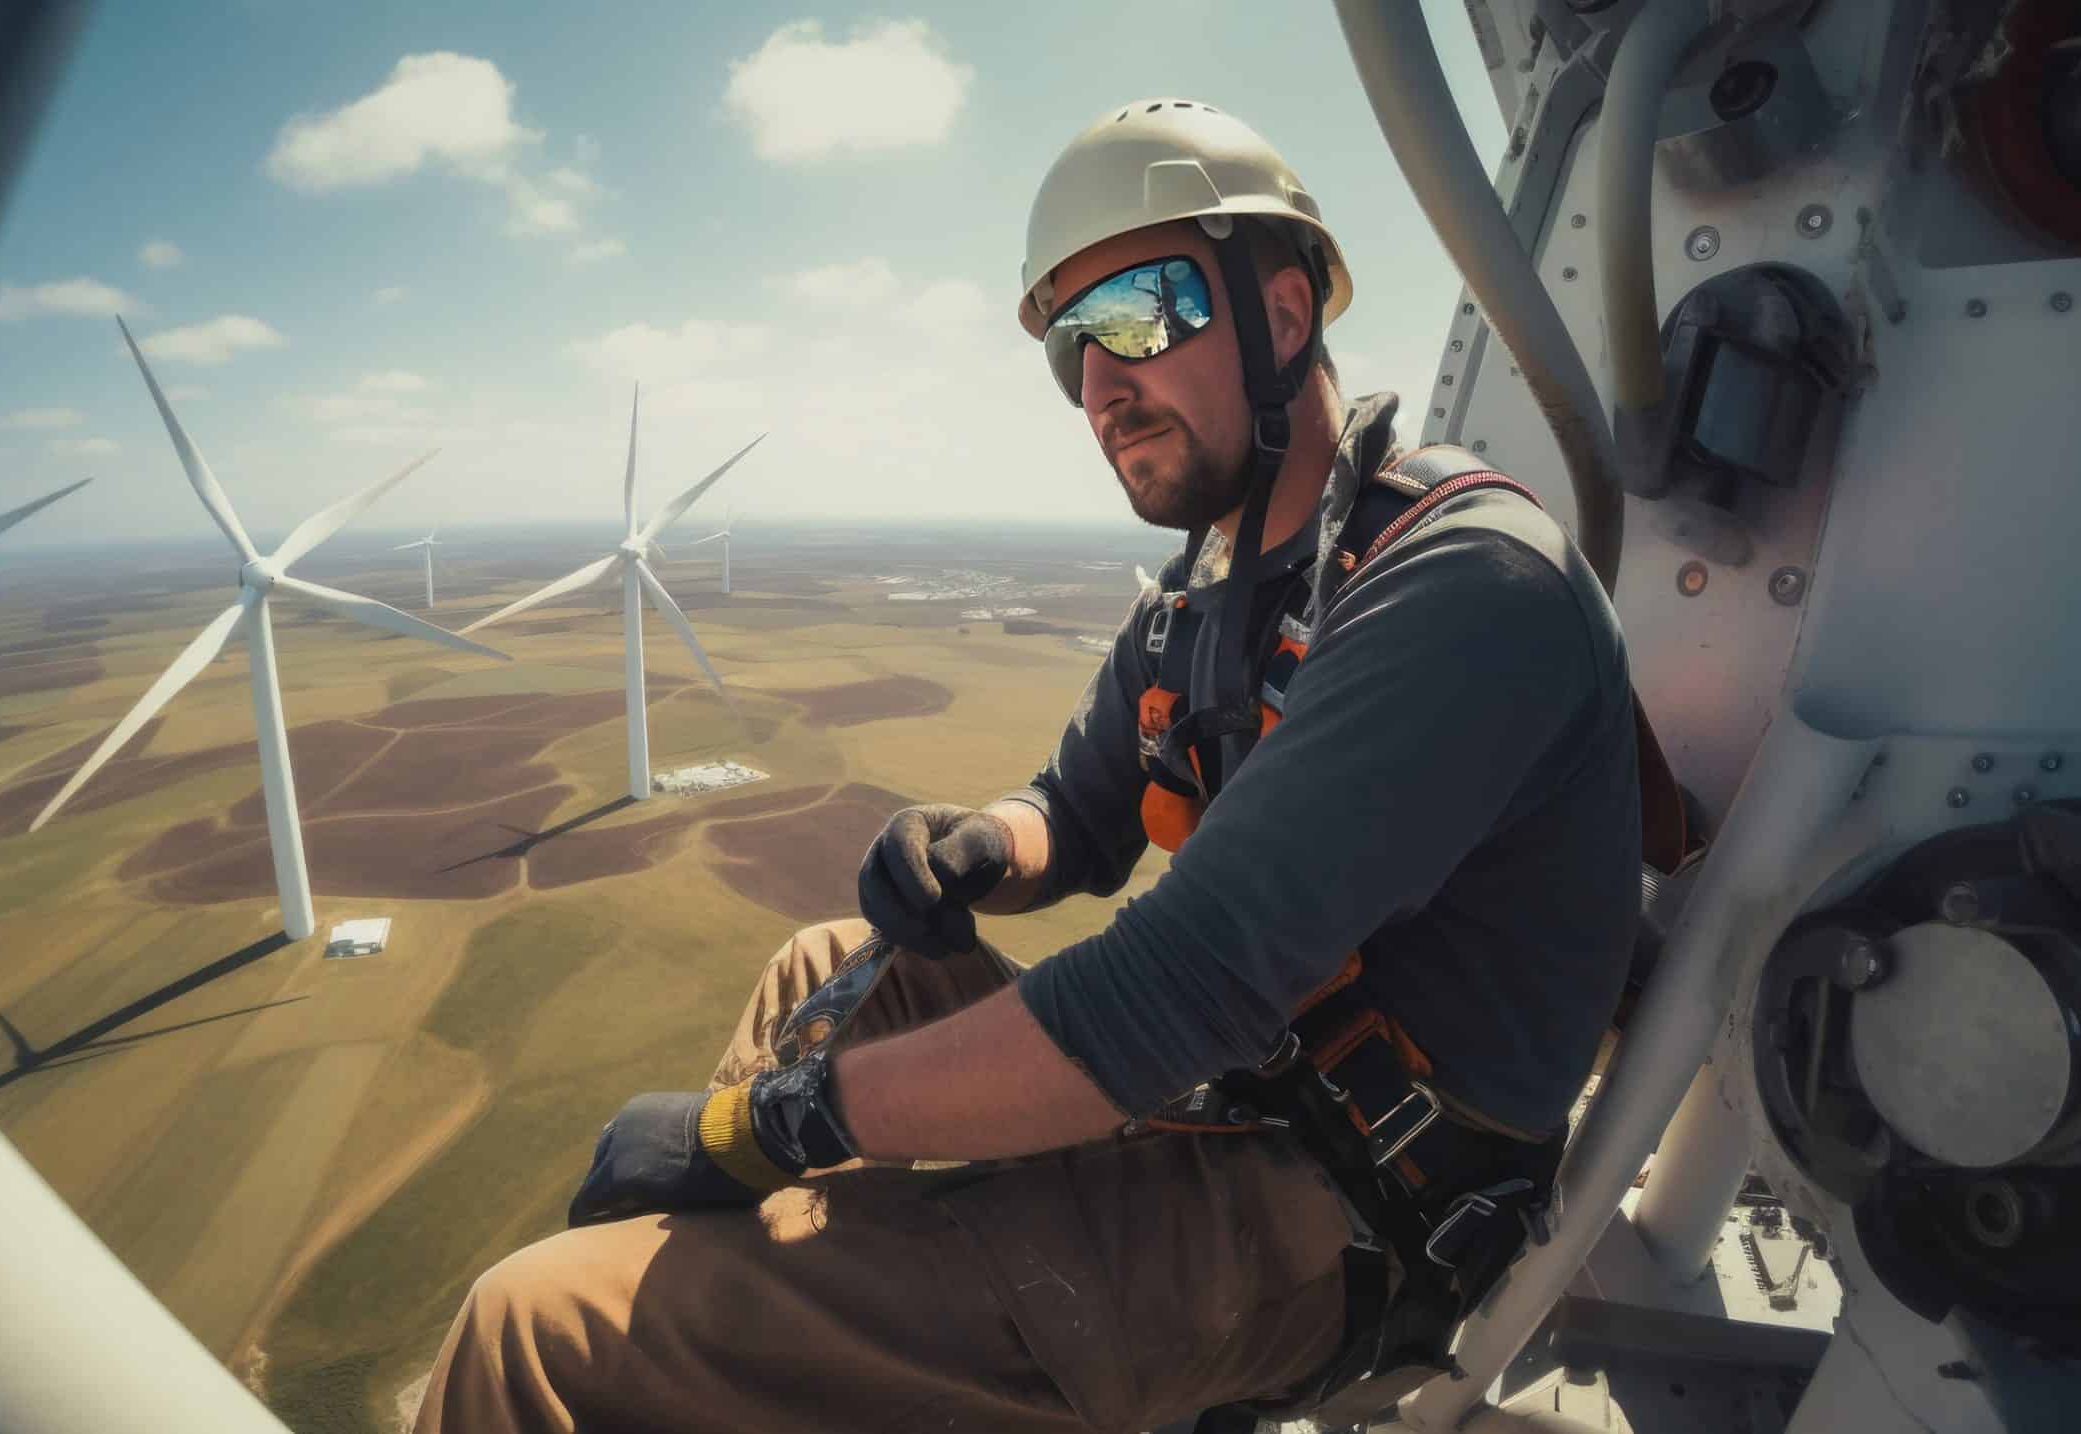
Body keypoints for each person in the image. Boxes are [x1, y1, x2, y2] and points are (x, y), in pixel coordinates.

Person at [412, 97, 1644, 1434]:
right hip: (1236, 1104)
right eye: (1070, 346)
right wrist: (986, 843)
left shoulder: (1461, 585)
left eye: (1138, 309)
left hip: (1346, 1207)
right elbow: (1080, 807)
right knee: (823, 968)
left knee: (531, 1329)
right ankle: (736, 1334)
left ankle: (680, 1332)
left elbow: (1177, 986)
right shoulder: (1210, 600)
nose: (1101, 383)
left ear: (1284, 317)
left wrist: (773, 1125)